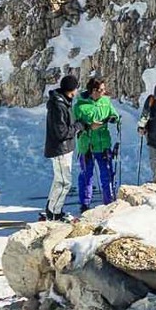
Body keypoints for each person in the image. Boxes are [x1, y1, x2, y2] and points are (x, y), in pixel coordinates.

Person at [73, 76, 120, 212]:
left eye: (104, 89)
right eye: (101, 90)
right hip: (86, 145)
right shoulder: (80, 106)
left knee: (107, 174)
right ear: (93, 91)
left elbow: (115, 116)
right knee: (86, 175)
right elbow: (74, 126)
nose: (104, 92)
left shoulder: (106, 102)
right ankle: (85, 204)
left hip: (103, 144)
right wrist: (88, 126)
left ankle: (109, 203)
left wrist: (113, 118)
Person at [43, 74, 80, 221]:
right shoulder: (58, 106)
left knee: (60, 180)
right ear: (72, 90)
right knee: (65, 182)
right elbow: (61, 132)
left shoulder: (63, 102)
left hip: (65, 148)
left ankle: (52, 208)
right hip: (60, 149)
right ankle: (54, 213)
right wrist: (78, 126)